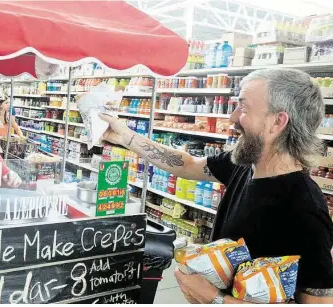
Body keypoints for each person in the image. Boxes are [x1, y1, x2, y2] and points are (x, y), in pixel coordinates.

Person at [99, 68, 333, 304]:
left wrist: (215, 299)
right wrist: (124, 137)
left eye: (243, 107)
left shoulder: (304, 209)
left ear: (277, 122)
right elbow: (187, 165)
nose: (232, 118)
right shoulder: (243, 165)